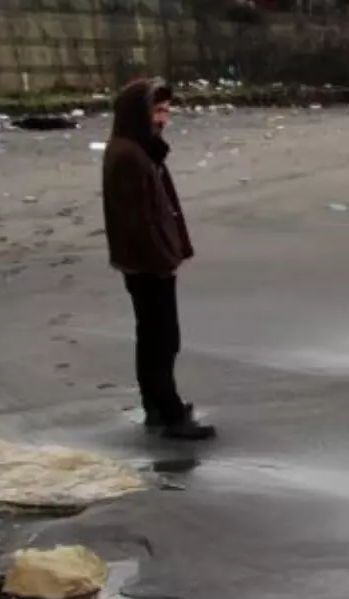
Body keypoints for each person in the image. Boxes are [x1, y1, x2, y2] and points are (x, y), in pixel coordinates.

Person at [102, 77, 215, 440]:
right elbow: (138, 221)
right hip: (148, 263)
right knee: (161, 339)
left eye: (166, 111)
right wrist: (163, 257)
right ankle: (169, 413)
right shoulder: (128, 155)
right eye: (157, 111)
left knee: (155, 337)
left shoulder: (137, 148)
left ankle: (158, 405)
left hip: (147, 260)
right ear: (139, 113)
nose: (163, 119)